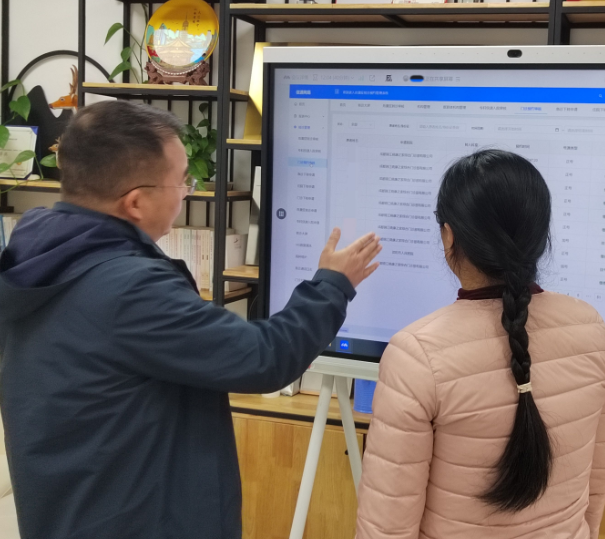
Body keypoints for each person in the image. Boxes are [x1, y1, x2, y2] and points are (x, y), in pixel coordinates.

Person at [0, 100, 381, 539]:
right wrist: (333, 283)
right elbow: (264, 358)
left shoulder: (38, 255)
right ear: (136, 202)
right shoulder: (127, 289)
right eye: (182, 181)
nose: (186, 192)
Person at [356, 149, 605, 539]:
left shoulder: (416, 356)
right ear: (539, 236)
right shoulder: (593, 329)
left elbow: (387, 527)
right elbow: (597, 483)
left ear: (449, 236)